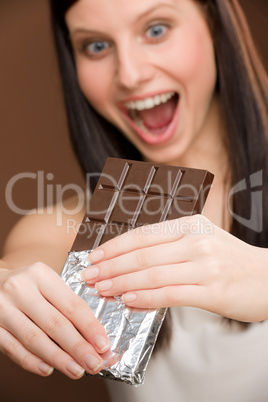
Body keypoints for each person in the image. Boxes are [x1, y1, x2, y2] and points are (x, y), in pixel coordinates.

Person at [1, 0, 267, 401]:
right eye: (96, 46)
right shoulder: (65, 226)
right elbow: (24, 264)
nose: (129, 74)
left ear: (215, 25)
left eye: (156, 30)